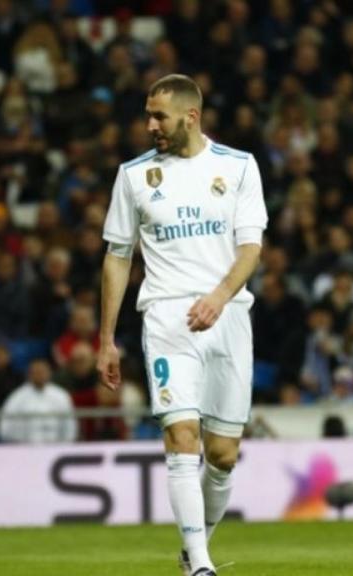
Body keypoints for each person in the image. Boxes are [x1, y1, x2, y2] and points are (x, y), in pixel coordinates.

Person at [97, 74, 267, 576]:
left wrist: (219, 296)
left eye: (159, 116)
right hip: (167, 316)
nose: (151, 126)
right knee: (182, 438)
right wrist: (107, 339)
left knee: (222, 455)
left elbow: (251, 247)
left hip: (229, 315)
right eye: (148, 115)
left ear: (191, 116)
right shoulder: (133, 176)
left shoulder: (238, 167)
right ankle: (201, 566)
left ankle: (195, 547)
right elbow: (117, 256)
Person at [0, 359, 76, 444]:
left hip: (55, 446)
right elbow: (5, 426)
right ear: (29, 375)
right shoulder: (17, 397)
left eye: (42, 372)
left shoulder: (61, 395)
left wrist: (65, 444)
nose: (39, 375)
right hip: (25, 447)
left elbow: (69, 424)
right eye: (36, 372)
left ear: (49, 373)